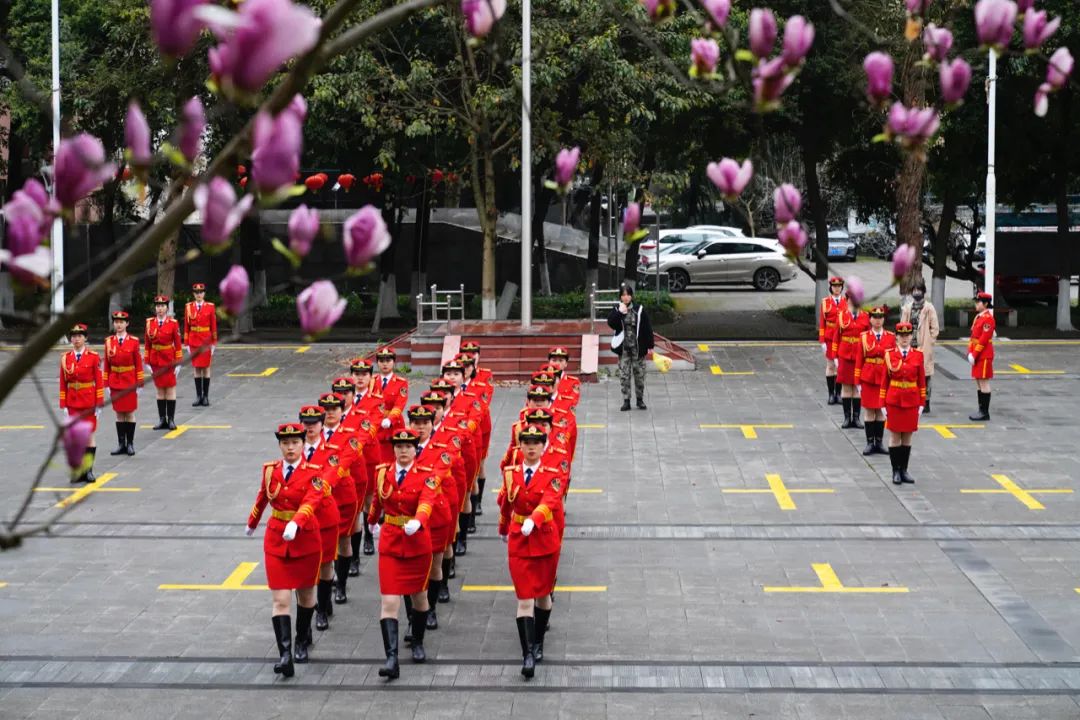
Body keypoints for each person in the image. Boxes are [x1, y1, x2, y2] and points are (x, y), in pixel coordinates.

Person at [244, 423, 326, 677]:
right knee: (280, 600)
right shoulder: (271, 470)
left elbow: (313, 500)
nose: (290, 448)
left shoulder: (315, 471)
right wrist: (252, 523)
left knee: (305, 595)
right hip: (277, 539)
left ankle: (302, 638)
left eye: (295, 443)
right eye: (285, 443)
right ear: (280, 445)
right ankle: (285, 654)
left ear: (303, 444)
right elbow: (262, 497)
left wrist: (297, 523)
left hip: (305, 539)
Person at [367, 429, 440, 680]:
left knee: (420, 599)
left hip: (417, 543)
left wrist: (419, 521)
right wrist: (372, 521)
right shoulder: (382, 473)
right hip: (390, 543)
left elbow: (427, 502)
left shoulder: (427, 475)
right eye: (399, 446)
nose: (403, 450)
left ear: (415, 448)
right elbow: (378, 499)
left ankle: (417, 640)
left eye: (408, 446)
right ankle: (391, 658)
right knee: (389, 602)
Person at [498, 425, 565, 679]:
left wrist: (534, 519)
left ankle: (538, 642)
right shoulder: (511, 473)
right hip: (519, 540)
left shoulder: (552, 473)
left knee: (543, 595)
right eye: (526, 442)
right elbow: (506, 502)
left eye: (536, 442)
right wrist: (504, 526)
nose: (531, 446)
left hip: (544, 539)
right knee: (524, 598)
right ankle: (527, 654)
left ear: (543, 445)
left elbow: (551, 500)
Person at [296, 405, 341, 635]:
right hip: (302, 522)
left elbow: (326, 481)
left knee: (325, 566)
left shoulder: (332, 451)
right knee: (303, 569)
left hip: (323, 516)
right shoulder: (294, 450)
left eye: (314, 423)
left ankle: (321, 609)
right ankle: (309, 608)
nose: (309, 427)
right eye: (306, 423)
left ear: (322, 424)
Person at [881, 323, 926, 485]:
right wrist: (882, 404)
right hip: (894, 400)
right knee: (894, 436)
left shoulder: (918, 356)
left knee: (907, 436)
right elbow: (884, 381)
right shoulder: (889, 355)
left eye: (908, 335)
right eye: (902, 335)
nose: (905, 338)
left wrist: (922, 403)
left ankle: (904, 470)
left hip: (911, 401)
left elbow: (921, 381)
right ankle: (895, 471)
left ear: (911, 337)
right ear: (897, 337)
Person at [59, 323, 104, 483]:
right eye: (74, 336)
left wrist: (99, 403)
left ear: (85, 338)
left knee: (89, 436)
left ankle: (88, 471)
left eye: (80, 336)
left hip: (88, 401)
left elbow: (99, 381)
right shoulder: (66, 358)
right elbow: (63, 382)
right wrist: (63, 404)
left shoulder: (93, 357)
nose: (76, 339)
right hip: (72, 401)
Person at [854, 306, 894, 456]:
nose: (878, 320)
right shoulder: (864, 337)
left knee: (881, 412)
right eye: (875, 317)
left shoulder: (890, 337)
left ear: (883, 319)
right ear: (870, 319)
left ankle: (879, 441)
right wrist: (857, 382)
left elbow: (893, 359)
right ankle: (870, 442)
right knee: (870, 412)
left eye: (880, 317)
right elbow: (859, 360)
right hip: (869, 378)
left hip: (883, 378)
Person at [607, 284, 654, 411]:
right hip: (624, 349)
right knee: (624, 375)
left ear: (631, 296)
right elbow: (611, 323)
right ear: (620, 297)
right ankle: (626, 401)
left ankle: (640, 400)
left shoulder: (639, 309)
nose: (626, 297)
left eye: (628, 294)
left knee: (639, 375)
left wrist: (650, 345)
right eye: (623, 295)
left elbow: (647, 327)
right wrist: (620, 313)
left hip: (637, 349)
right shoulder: (617, 309)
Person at [104, 310, 144, 456]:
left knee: (130, 413)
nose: (119, 325)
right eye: (116, 322)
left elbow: (138, 363)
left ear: (127, 324)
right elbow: (107, 365)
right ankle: (121, 443)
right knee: (119, 414)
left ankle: (130, 444)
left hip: (129, 381)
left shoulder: (133, 341)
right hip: (115, 381)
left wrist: (140, 383)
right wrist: (106, 383)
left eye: (122, 322)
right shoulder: (109, 342)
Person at [144, 295, 183, 430]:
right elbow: (147, 344)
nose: (160, 309)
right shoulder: (150, 323)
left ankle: (171, 419)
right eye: (158, 306)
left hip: (169, 360)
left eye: (162, 306)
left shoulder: (173, 323)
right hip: (155, 360)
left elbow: (178, 344)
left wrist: (178, 362)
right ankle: (162, 419)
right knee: (160, 390)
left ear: (167, 308)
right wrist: (147, 361)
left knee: (170, 389)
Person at [901, 281, 940, 413]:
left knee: (926, 376)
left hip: (924, 346)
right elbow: (902, 326)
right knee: (911, 374)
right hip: (910, 347)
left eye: (919, 290)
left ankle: (926, 402)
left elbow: (935, 328)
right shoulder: (907, 308)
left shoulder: (929, 308)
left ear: (923, 292)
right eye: (914, 290)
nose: (916, 292)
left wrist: (930, 341)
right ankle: (913, 400)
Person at [836, 298, 870, 429]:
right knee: (846, 388)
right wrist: (835, 356)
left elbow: (868, 337)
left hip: (859, 356)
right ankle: (846, 418)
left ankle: (856, 418)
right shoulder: (841, 316)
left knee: (857, 388)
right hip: (845, 354)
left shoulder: (865, 317)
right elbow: (836, 336)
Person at [184, 282, 217, 407]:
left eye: (201, 292)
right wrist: (186, 342)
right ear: (193, 294)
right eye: (196, 292)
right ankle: (198, 396)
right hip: (193, 340)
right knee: (197, 368)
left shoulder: (210, 307)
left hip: (206, 340)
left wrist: (214, 342)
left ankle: (206, 396)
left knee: (206, 368)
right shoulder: (188, 307)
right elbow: (186, 326)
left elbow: (213, 326)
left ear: (204, 293)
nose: (199, 294)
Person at [818, 277, 847, 405]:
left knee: (839, 367)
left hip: (842, 338)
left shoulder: (846, 302)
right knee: (830, 366)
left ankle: (839, 393)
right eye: (834, 286)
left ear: (842, 287)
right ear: (831, 287)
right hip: (830, 338)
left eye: (839, 286)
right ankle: (831, 394)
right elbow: (822, 323)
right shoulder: (825, 303)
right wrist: (822, 341)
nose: (837, 288)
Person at [967, 291, 995, 421]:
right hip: (976, 354)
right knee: (978, 382)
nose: (976, 304)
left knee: (984, 382)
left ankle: (985, 412)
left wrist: (975, 353)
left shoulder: (988, 319)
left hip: (983, 355)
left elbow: (983, 340)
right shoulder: (979, 317)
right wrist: (970, 352)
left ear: (985, 304)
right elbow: (973, 337)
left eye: (978, 302)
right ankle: (980, 409)